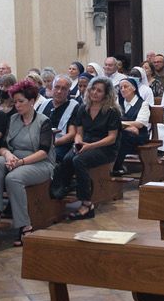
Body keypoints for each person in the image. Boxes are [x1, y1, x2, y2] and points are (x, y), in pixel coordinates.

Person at [0, 80, 55, 244]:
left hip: (39, 163)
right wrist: (8, 155)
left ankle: (25, 226)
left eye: (21, 101)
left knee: (13, 178)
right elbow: (3, 146)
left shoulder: (44, 121)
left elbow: (44, 152)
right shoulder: (13, 119)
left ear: (31, 101)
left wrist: (21, 162)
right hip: (15, 158)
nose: (17, 105)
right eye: (15, 102)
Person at [50, 76, 120, 220]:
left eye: (99, 91)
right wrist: (78, 143)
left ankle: (87, 205)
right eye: (93, 89)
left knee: (79, 160)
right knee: (68, 158)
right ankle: (62, 189)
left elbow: (112, 138)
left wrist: (90, 146)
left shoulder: (112, 111)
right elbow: (79, 133)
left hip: (105, 147)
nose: (94, 93)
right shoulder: (83, 108)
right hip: (86, 143)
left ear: (106, 94)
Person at [112, 77, 150, 176]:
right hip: (125, 132)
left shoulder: (143, 104)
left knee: (121, 136)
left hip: (139, 135)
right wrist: (129, 127)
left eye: (126, 87)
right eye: (121, 88)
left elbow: (140, 123)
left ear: (134, 88)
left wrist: (121, 125)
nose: (123, 89)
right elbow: (113, 120)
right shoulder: (118, 103)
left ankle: (116, 167)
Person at [42, 75, 82, 163]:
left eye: (63, 89)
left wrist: (51, 143)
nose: (59, 91)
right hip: (39, 142)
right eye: (57, 87)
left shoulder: (74, 106)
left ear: (68, 91)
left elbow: (72, 134)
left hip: (60, 144)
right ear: (52, 88)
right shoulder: (44, 104)